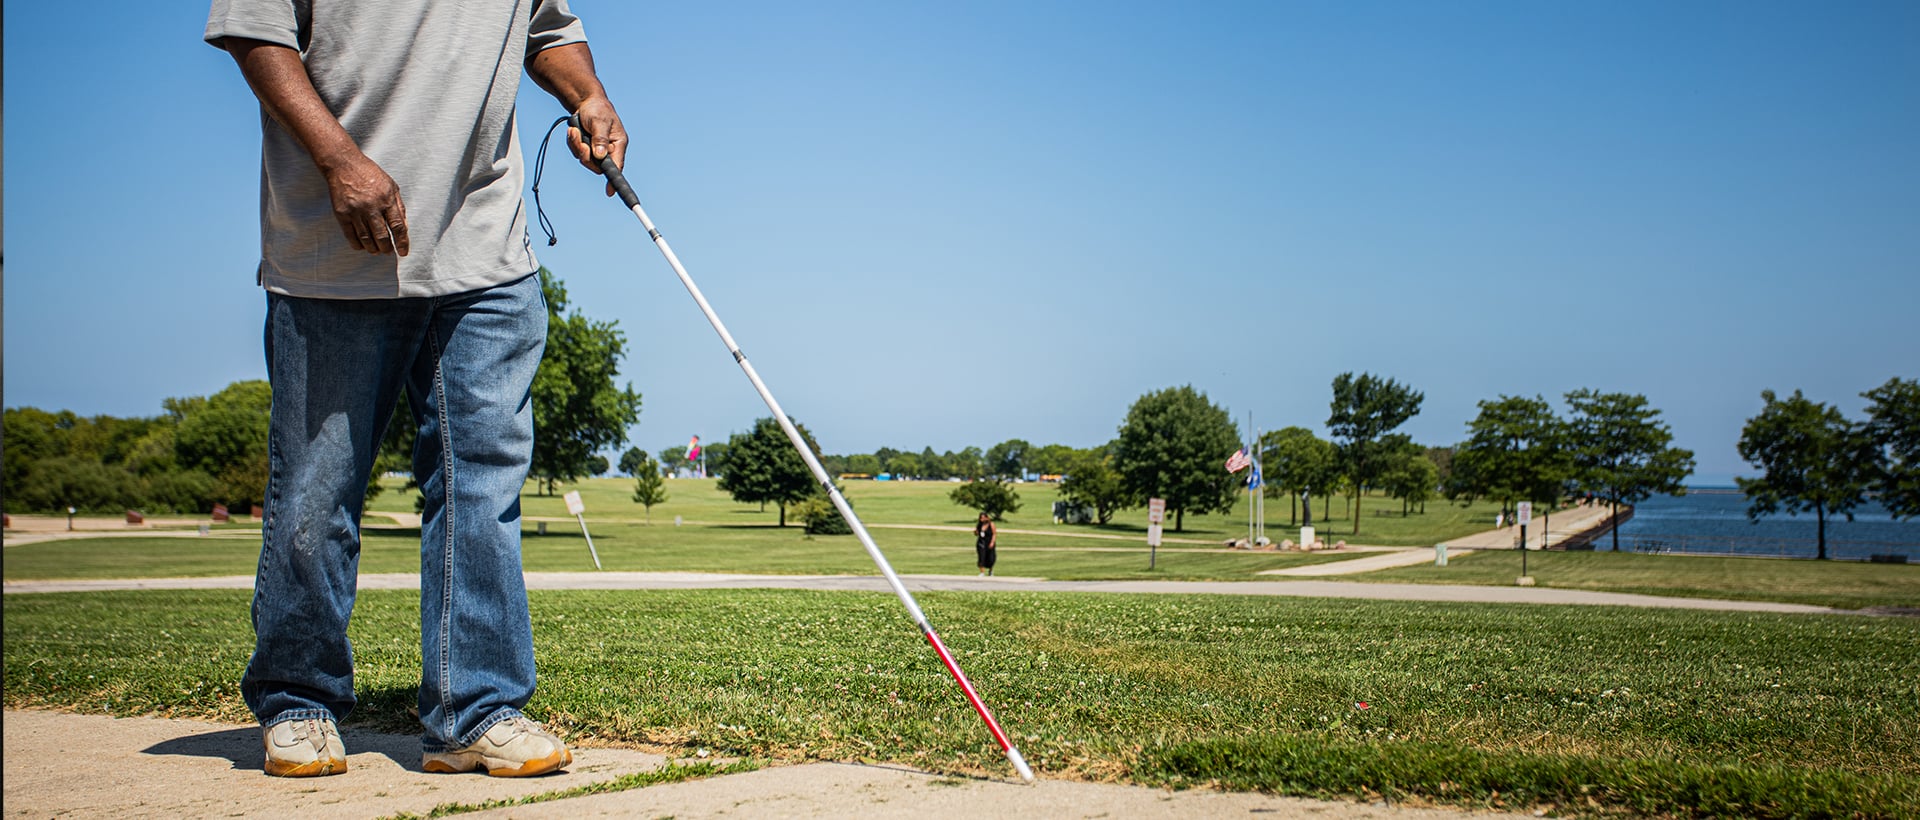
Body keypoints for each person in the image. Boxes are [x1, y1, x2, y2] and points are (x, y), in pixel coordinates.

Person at [204, 0, 628, 778]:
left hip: (487, 252)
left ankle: (477, 710)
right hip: (335, 251)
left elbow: (548, 30)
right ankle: (298, 698)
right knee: (316, 486)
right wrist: (338, 159)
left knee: (483, 485)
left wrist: (587, 94)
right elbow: (253, 29)